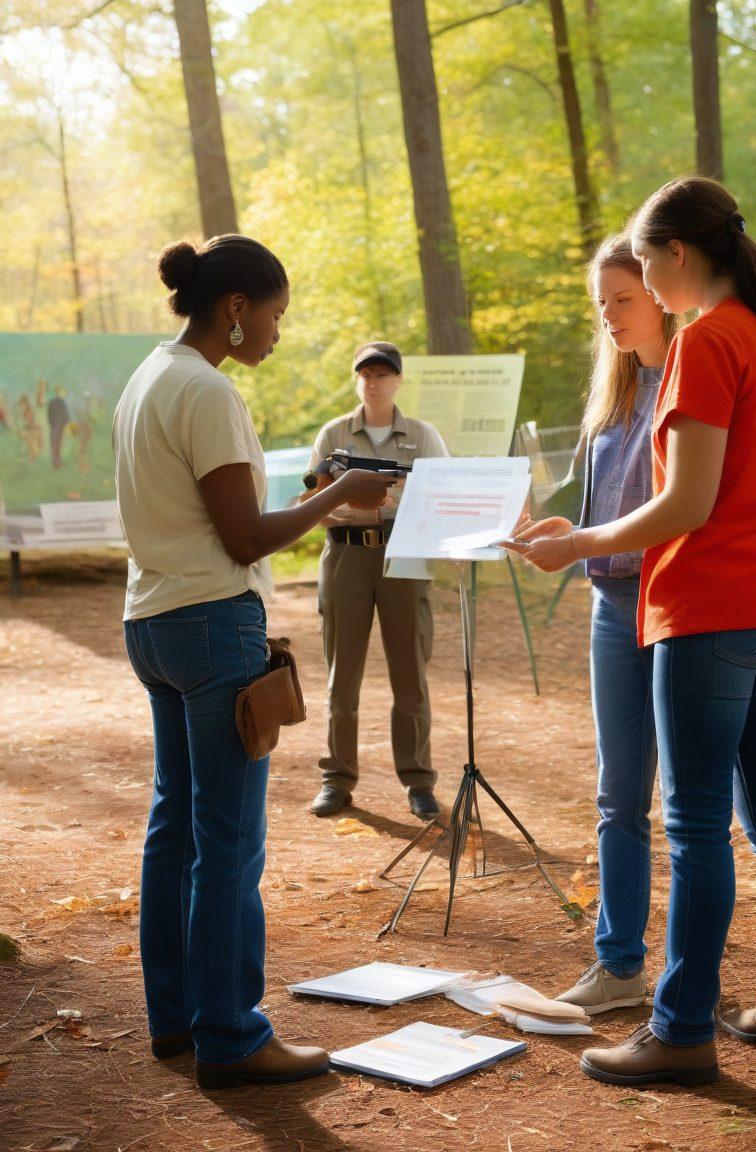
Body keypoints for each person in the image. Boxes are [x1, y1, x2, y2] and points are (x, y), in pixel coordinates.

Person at [507, 177, 756, 1086]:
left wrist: (581, 544)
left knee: (691, 826)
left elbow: (685, 502)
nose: (640, 279)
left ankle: (681, 1028)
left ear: (678, 256)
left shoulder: (710, 341)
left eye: (642, 263)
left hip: (714, 609)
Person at [112, 234, 392, 1090]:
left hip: (152, 623)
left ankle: (176, 1023)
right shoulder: (208, 391)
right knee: (229, 843)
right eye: (273, 315)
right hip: (209, 626)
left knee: (177, 830)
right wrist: (338, 494)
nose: (276, 331)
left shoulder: (148, 377)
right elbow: (244, 537)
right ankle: (231, 1037)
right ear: (235, 309)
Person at [530, 234, 675, 1016]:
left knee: (691, 804)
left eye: (623, 298)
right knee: (619, 797)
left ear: (659, 290)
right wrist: (563, 529)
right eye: (601, 305)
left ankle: (690, 979)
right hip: (610, 609)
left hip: (680, 607)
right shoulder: (613, 396)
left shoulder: (693, 378)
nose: (611, 316)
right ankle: (618, 967)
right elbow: (609, 508)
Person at [304, 341, 449, 820]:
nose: (374, 381)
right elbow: (315, 505)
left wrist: (377, 505)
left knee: (409, 673)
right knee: (341, 676)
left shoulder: (422, 436)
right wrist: (372, 504)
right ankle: (337, 779)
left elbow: (439, 499)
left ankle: (418, 780)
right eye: (365, 373)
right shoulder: (334, 434)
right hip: (346, 556)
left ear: (398, 380)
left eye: (383, 373)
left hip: (403, 558)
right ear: (356, 380)